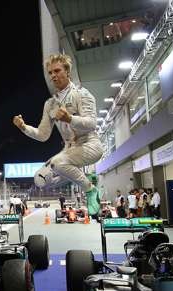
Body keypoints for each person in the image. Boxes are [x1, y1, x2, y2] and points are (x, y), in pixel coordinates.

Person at [12, 53, 103, 216]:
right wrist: (24, 127)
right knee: (40, 179)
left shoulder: (82, 94)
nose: (53, 76)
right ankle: (78, 174)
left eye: (57, 71)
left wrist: (70, 118)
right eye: (50, 73)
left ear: (67, 71)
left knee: (57, 163)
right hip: (70, 150)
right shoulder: (50, 104)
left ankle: (91, 189)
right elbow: (42, 134)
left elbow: (91, 123)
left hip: (90, 144)